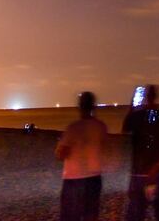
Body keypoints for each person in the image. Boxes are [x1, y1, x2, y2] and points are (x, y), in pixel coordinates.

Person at [122, 85, 159, 221]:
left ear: (145, 97)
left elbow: (124, 131)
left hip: (139, 173)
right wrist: (157, 166)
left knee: (136, 214)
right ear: (157, 97)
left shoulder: (136, 117)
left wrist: (132, 106)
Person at [56, 91, 108, 221]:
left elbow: (61, 154)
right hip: (94, 178)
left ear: (79, 106)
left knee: (69, 216)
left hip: (74, 179)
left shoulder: (73, 128)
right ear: (93, 106)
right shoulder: (101, 126)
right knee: (90, 215)